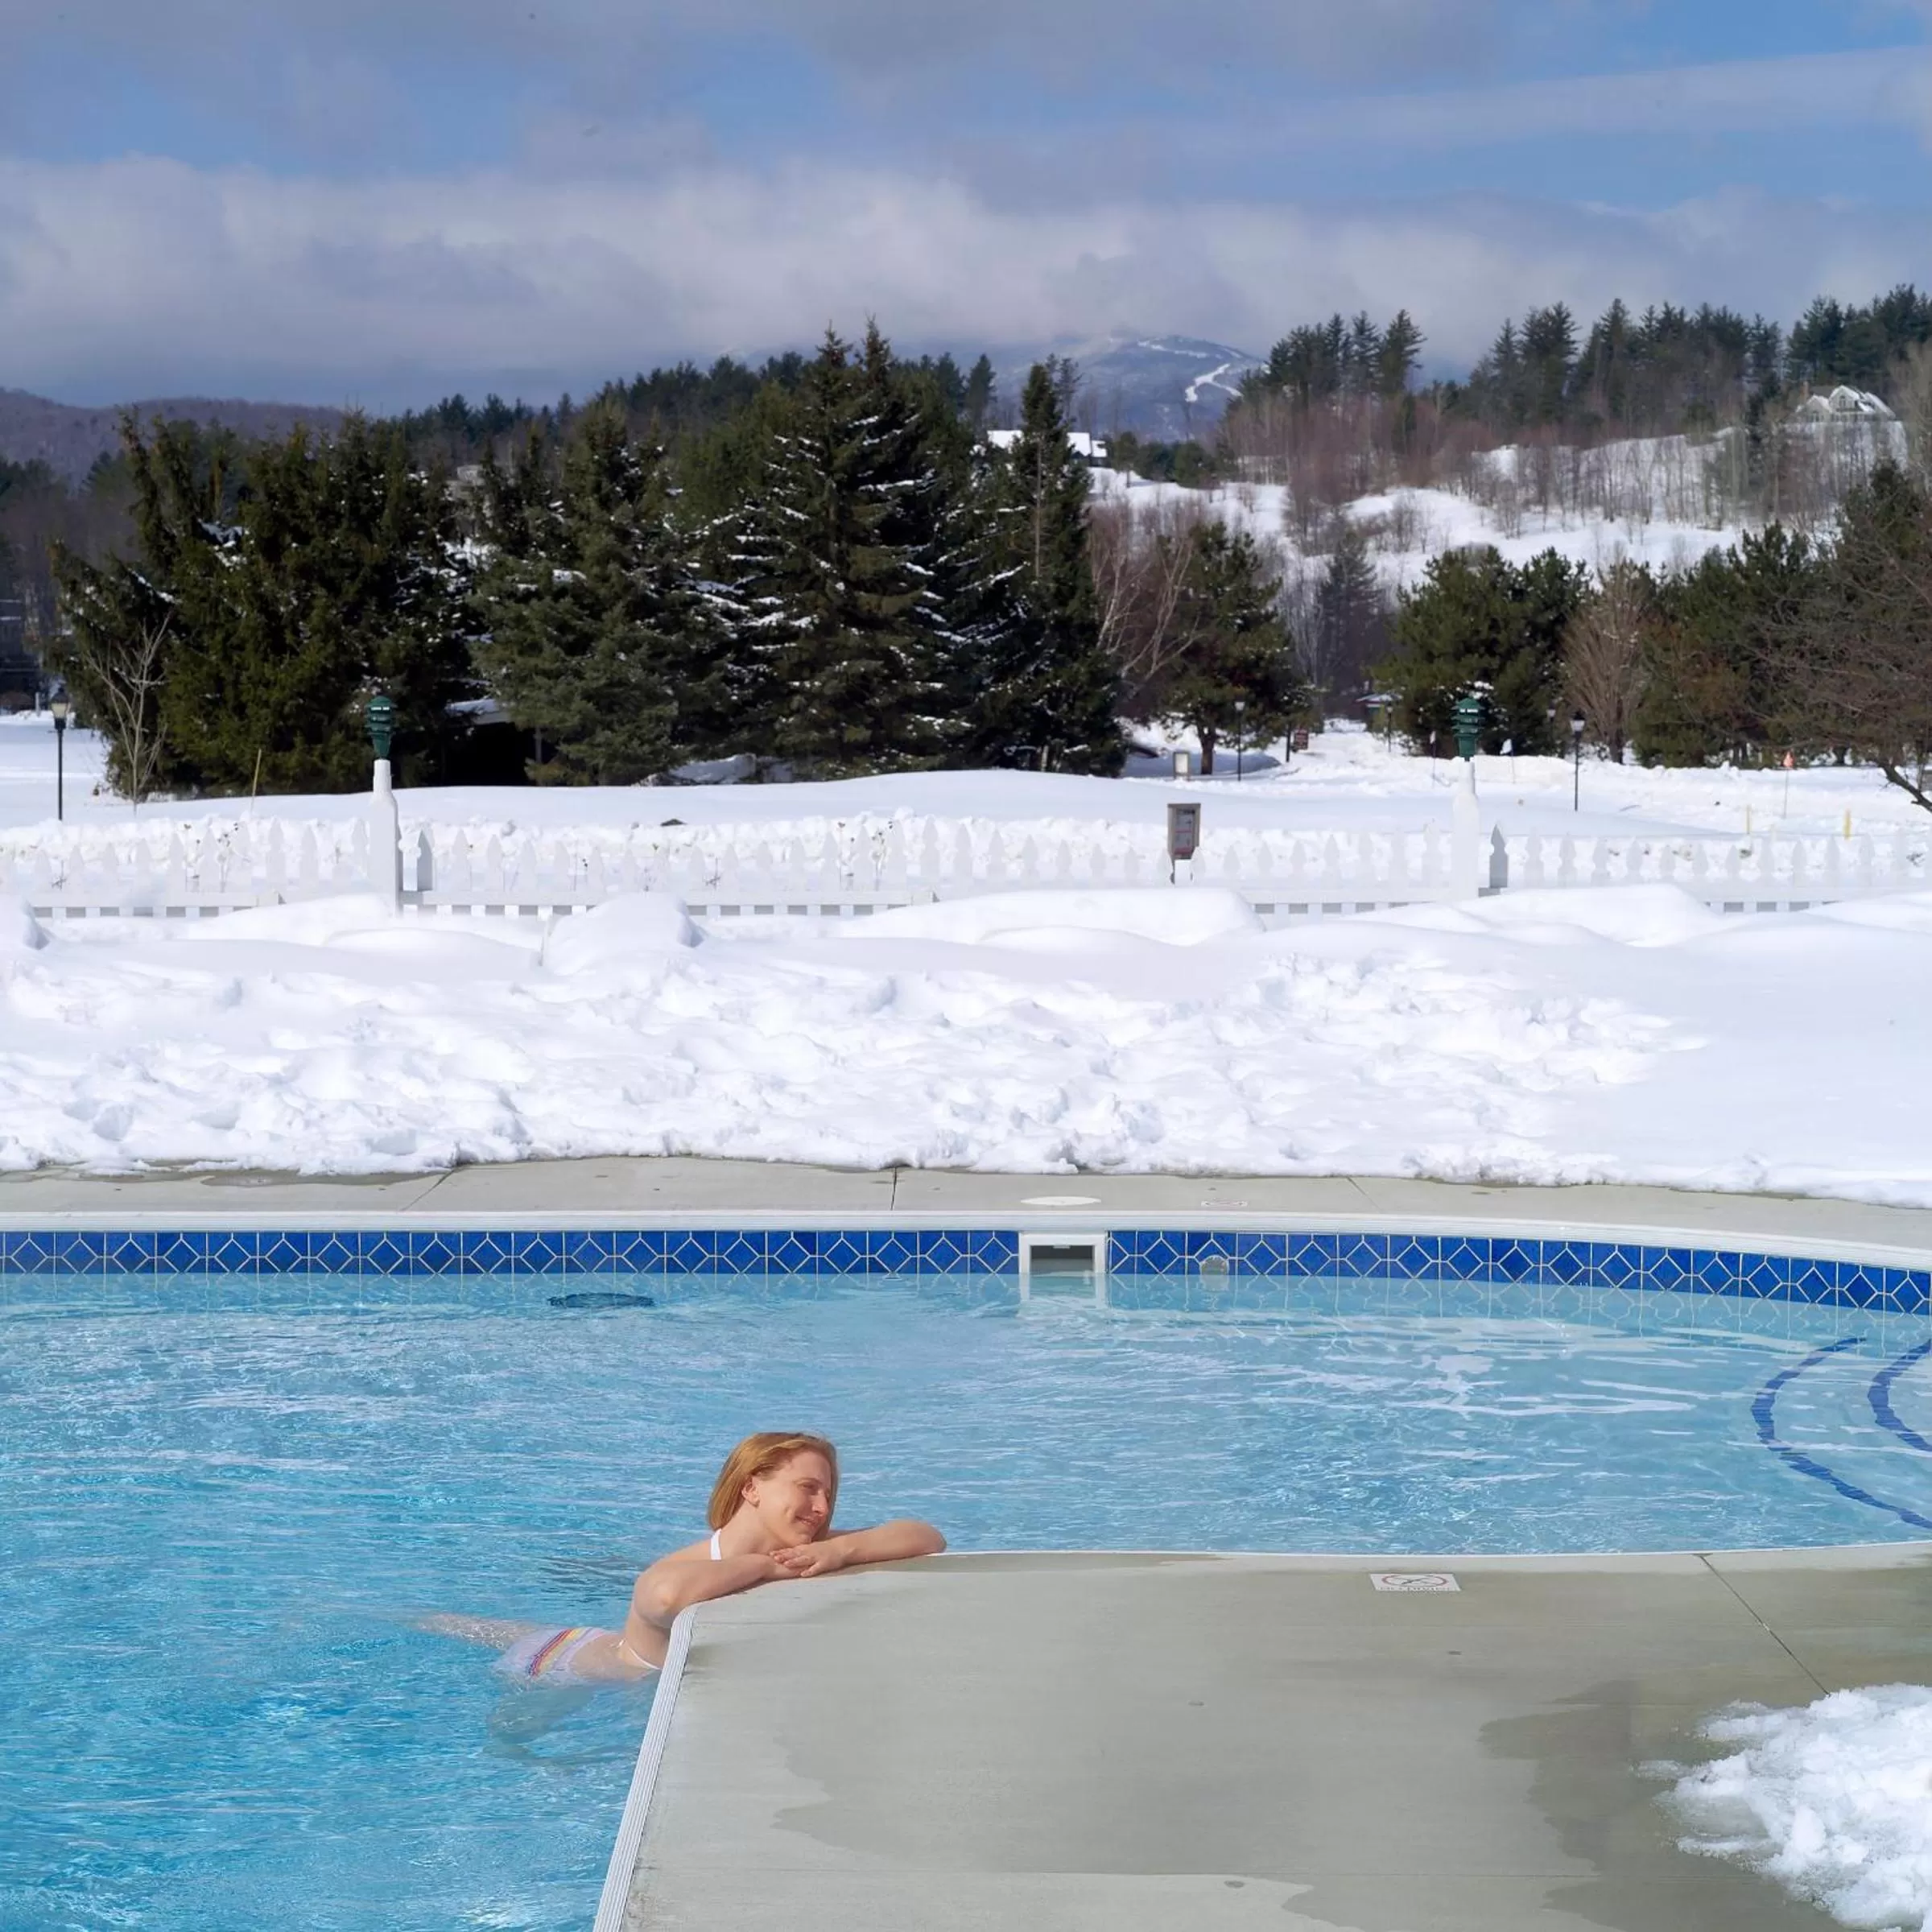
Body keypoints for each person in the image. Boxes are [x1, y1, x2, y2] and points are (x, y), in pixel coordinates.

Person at [423, 1431, 945, 1686]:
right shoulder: (694, 1564)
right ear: (752, 1489)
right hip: (558, 1670)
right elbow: (663, 1595)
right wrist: (766, 1568)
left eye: (828, 1494)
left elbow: (925, 1536)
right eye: (807, 1488)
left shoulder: (812, 1549)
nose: (822, 1507)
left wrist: (840, 1549)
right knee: (442, 1632)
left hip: (590, 1648)